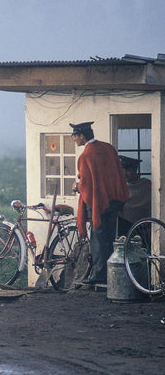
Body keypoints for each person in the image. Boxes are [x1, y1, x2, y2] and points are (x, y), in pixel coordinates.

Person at [70, 122, 129, 286]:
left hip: (99, 203)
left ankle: (99, 274)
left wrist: (77, 186)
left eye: (75, 136)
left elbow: (86, 184)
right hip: (114, 200)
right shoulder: (108, 148)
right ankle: (111, 273)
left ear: (82, 136)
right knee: (110, 238)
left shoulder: (86, 156)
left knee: (97, 239)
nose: (74, 139)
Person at [117, 156, 152, 236]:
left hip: (144, 226)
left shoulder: (146, 184)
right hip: (125, 225)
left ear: (135, 170)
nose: (125, 173)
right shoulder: (120, 187)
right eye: (122, 170)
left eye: (128, 170)